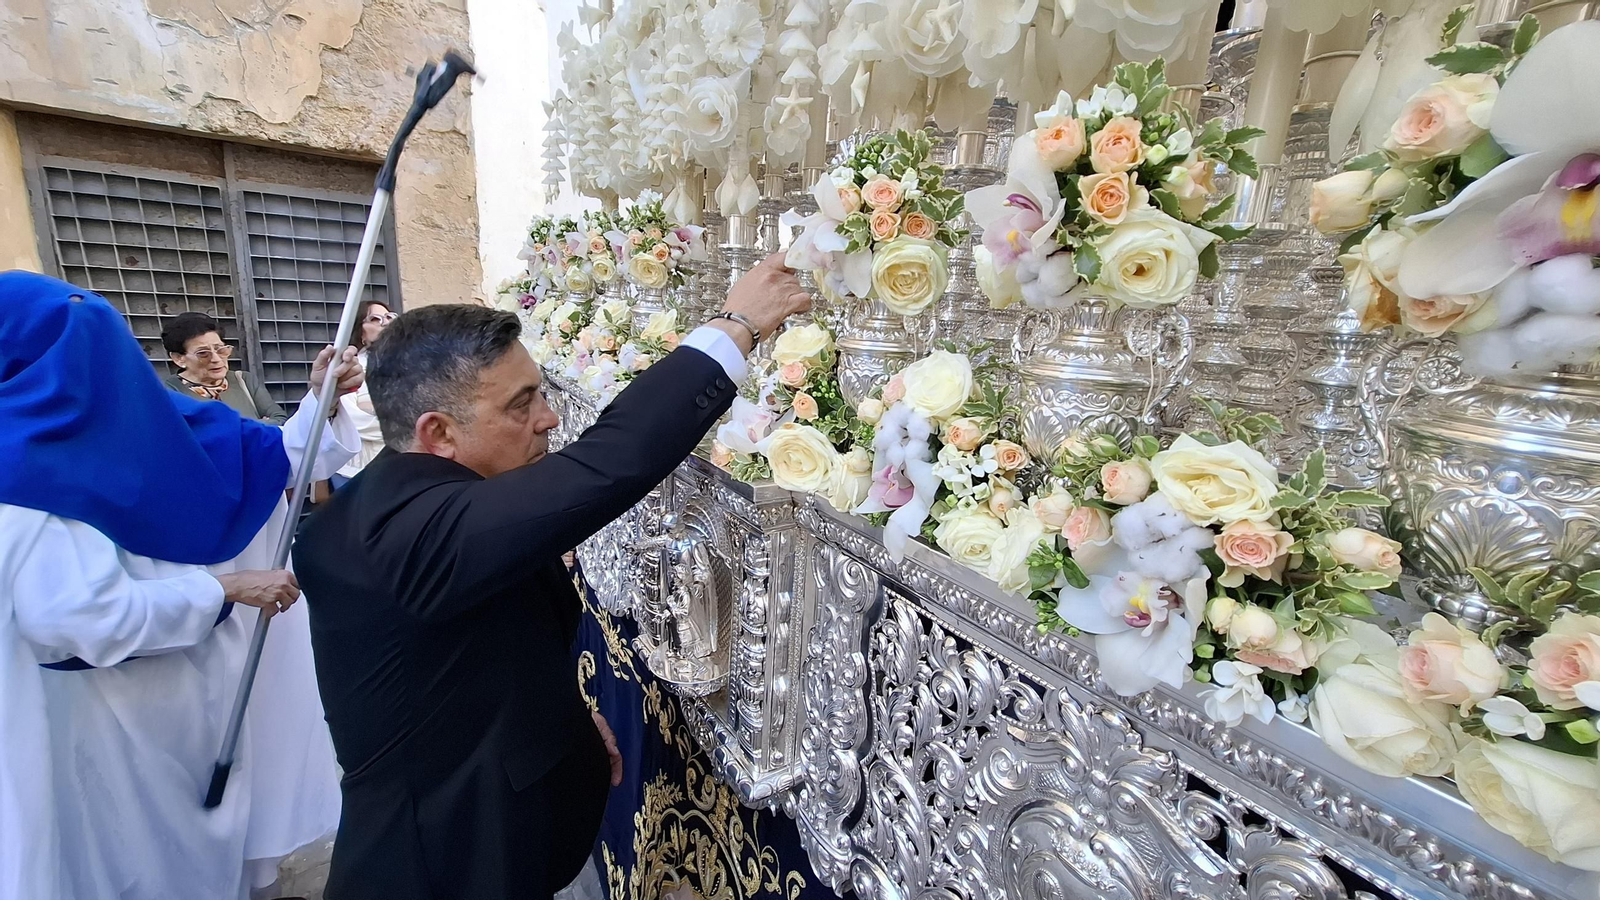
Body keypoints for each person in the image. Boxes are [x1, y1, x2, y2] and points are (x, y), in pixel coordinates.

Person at [293, 254, 809, 900]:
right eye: (521, 404)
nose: (549, 418)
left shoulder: (408, 495)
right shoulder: (408, 537)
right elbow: (607, 464)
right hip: (443, 872)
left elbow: (477, 654)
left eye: (539, 391)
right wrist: (736, 325)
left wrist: (559, 722)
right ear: (439, 433)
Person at [0, 271, 363, 900]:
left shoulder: (147, 422)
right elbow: (74, 618)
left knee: (208, 851)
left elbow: (271, 455)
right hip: (105, 718)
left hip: (194, 701)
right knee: (141, 863)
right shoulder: (21, 473)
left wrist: (321, 400)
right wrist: (222, 591)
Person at [162, 311, 288, 425]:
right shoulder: (169, 393)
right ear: (178, 358)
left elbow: (280, 419)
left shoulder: (244, 380)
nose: (216, 359)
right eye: (203, 353)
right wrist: (258, 425)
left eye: (220, 349)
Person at [331, 300, 396, 490]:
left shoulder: (408, 364)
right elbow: (350, 418)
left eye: (389, 317)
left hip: (396, 466)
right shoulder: (350, 366)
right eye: (375, 319)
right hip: (354, 470)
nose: (385, 323)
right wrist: (399, 423)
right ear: (361, 332)